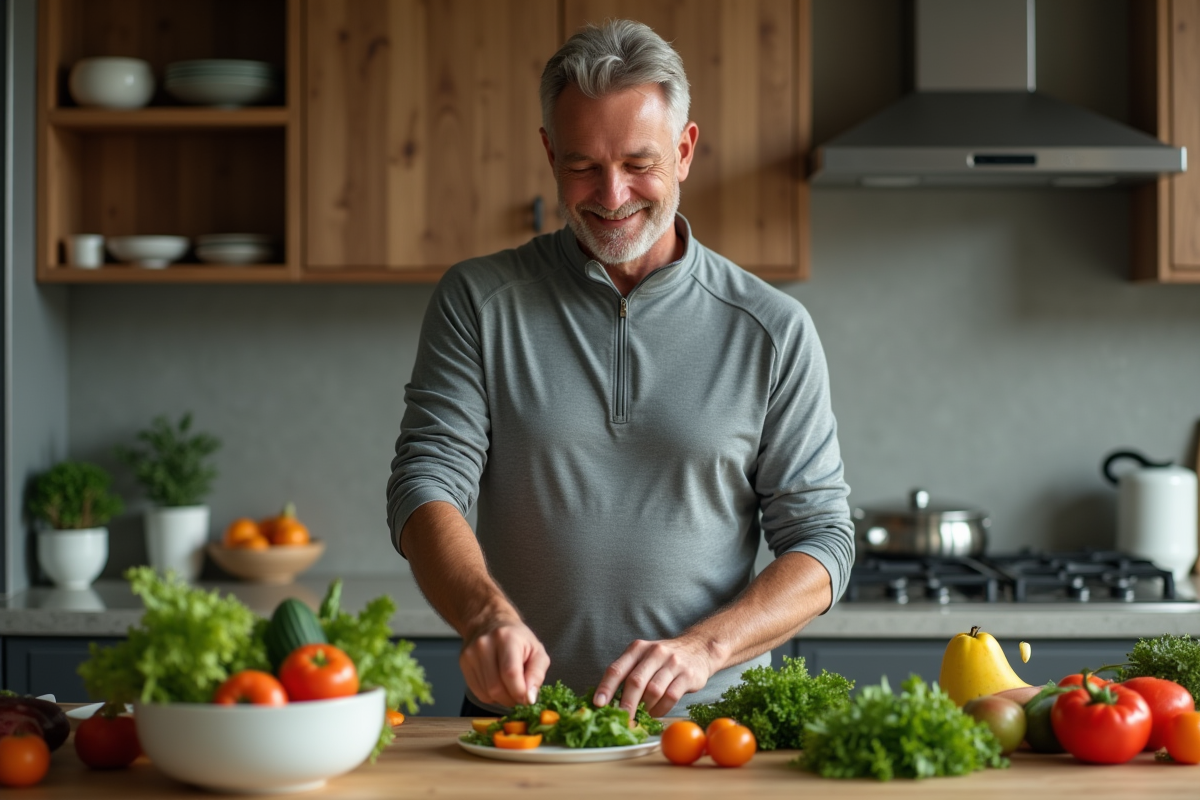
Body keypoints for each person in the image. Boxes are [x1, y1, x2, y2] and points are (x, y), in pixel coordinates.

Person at [387, 19, 854, 720]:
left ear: (686, 149)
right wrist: (487, 618)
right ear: (548, 154)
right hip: (523, 724)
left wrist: (703, 648)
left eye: (639, 163)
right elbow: (426, 483)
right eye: (582, 165)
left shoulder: (772, 328)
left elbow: (822, 542)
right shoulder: (480, 301)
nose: (610, 195)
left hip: (707, 737)